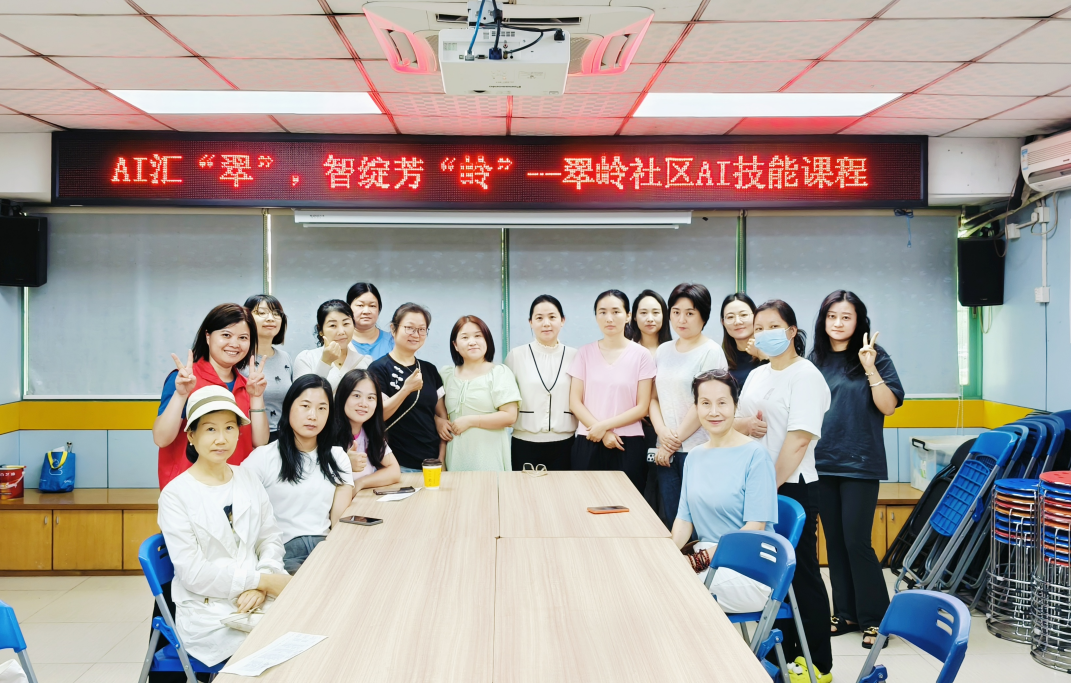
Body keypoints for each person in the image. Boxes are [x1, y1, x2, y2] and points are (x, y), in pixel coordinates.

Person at [156, 385, 290, 668]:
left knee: (316, 625)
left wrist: (263, 583)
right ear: (191, 435)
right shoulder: (175, 495)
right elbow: (193, 574)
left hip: (258, 598)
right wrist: (261, 581)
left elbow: (269, 539)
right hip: (210, 614)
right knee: (283, 648)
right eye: (210, 429)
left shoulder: (248, 478)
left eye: (230, 427)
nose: (221, 439)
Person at [736, 299, 833, 679]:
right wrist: (746, 426)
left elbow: (798, 442)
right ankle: (783, 656)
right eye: (758, 328)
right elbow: (738, 419)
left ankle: (817, 664)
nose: (764, 334)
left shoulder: (806, 376)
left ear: (792, 331)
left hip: (793, 487)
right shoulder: (759, 374)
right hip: (760, 484)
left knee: (801, 574)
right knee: (772, 576)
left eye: (773, 326)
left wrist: (765, 489)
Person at [810, 291, 904, 649]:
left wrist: (869, 367)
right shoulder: (814, 359)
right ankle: (846, 613)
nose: (838, 323)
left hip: (861, 463)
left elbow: (888, 406)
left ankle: (876, 619)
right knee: (834, 542)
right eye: (832, 316)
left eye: (846, 317)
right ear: (823, 320)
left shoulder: (875, 356)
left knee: (856, 540)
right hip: (821, 462)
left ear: (858, 321)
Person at [671, 369, 777, 614]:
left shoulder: (756, 456)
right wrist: (667, 556)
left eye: (722, 403)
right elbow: (684, 521)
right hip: (707, 562)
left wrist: (698, 560)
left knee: (670, 588)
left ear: (735, 405)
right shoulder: (694, 456)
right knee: (651, 576)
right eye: (705, 403)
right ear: (696, 407)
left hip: (750, 567)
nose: (714, 412)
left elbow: (754, 529)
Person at [242, 375, 354, 574]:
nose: (313, 415)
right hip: (283, 552)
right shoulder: (263, 457)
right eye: (305, 406)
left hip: (325, 546)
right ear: (289, 407)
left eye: (322, 408)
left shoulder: (338, 457)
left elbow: (339, 519)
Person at [153, 303, 269, 489]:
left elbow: (260, 442)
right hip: (188, 489)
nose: (235, 344)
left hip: (235, 486)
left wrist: (256, 397)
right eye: (226, 335)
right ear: (208, 336)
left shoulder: (247, 385)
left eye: (243, 338)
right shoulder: (183, 379)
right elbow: (161, 439)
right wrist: (181, 395)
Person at [651, 283, 728, 526]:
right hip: (665, 452)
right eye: (676, 312)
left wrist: (673, 442)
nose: (681, 319)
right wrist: (662, 434)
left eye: (690, 313)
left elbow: (704, 403)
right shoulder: (663, 350)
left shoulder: (711, 351)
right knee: (673, 520)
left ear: (703, 316)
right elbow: (653, 398)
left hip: (699, 450)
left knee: (700, 523)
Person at [568, 290, 656, 492]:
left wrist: (604, 427)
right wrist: (601, 432)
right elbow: (575, 402)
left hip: (628, 443)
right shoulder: (584, 353)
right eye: (602, 312)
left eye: (616, 311)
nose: (609, 318)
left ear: (628, 316)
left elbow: (642, 406)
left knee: (627, 503)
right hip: (589, 439)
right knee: (586, 501)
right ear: (596, 317)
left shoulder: (642, 355)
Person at [368, 303, 449, 472]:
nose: (416, 334)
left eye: (422, 329)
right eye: (410, 328)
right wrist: (406, 389)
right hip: (396, 464)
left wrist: (441, 458)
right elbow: (377, 416)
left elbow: (442, 417)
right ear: (393, 329)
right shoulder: (378, 368)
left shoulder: (429, 369)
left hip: (431, 462)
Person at [504, 295, 578, 471]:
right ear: (530, 322)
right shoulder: (516, 355)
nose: (546, 323)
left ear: (562, 320)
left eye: (552, 317)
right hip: (524, 443)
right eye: (539, 318)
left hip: (565, 443)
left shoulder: (575, 356)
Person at [441, 315, 521, 471]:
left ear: (487, 340)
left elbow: (510, 417)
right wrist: (438, 421)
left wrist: (471, 421)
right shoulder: (446, 374)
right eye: (465, 337)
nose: (472, 342)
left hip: (489, 459)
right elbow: (432, 409)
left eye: (478, 336)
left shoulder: (499, 373)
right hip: (455, 456)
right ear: (455, 345)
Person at [335, 368, 402, 491]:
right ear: (342, 396)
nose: (363, 404)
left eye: (370, 398)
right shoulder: (326, 434)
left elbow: (394, 471)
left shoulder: (370, 433)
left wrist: (361, 483)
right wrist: (345, 463)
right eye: (356, 396)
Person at [242, 294, 293, 441]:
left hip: (284, 436)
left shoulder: (285, 357)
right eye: (261, 313)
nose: (270, 318)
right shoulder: (239, 357)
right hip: (248, 436)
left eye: (276, 314)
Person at [293, 299, 371, 393]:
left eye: (346, 324)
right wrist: (325, 362)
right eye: (333, 325)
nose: (341, 332)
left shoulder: (366, 361)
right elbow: (303, 397)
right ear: (320, 330)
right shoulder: (306, 358)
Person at [720, 292, 762, 388]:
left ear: (756, 316)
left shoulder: (772, 352)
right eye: (730, 317)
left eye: (743, 315)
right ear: (723, 322)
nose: (737, 322)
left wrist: (763, 356)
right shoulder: (721, 358)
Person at [347, 282, 395, 361]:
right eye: (360, 305)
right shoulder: (341, 341)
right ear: (348, 308)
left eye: (372, 306)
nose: (366, 311)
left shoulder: (393, 342)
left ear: (379, 309)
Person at [628, 289, 671, 355]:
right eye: (643, 313)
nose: (650, 319)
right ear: (634, 316)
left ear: (664, 315)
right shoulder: (626, 350)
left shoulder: (674, 350)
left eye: (655, 312)